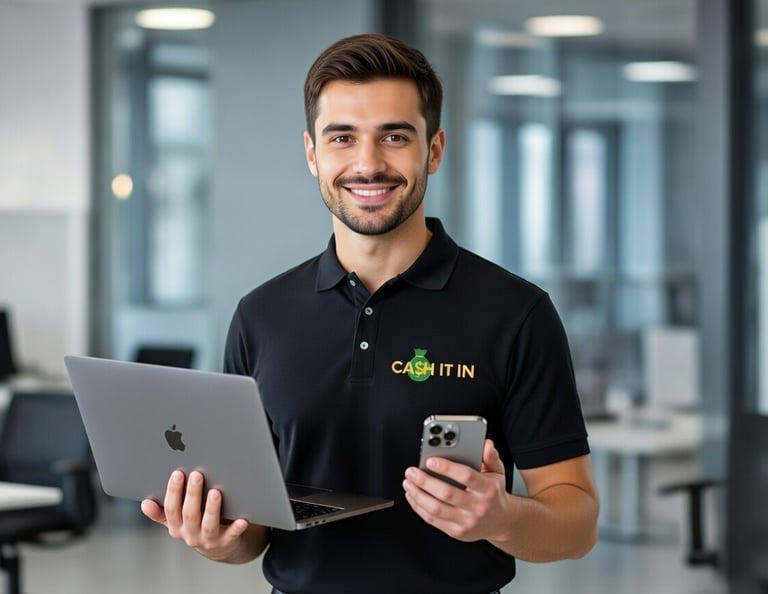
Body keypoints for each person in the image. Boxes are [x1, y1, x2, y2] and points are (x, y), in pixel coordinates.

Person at [141, 32, 599, 593]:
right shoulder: (261, 316)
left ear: (433, 149)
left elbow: (575, 524)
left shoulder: (517, 313)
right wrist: (218, 537)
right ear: (312, 153)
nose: (368, 163)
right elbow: (254, 534)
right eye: (342, 138)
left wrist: (501, 518)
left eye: (394, 136)